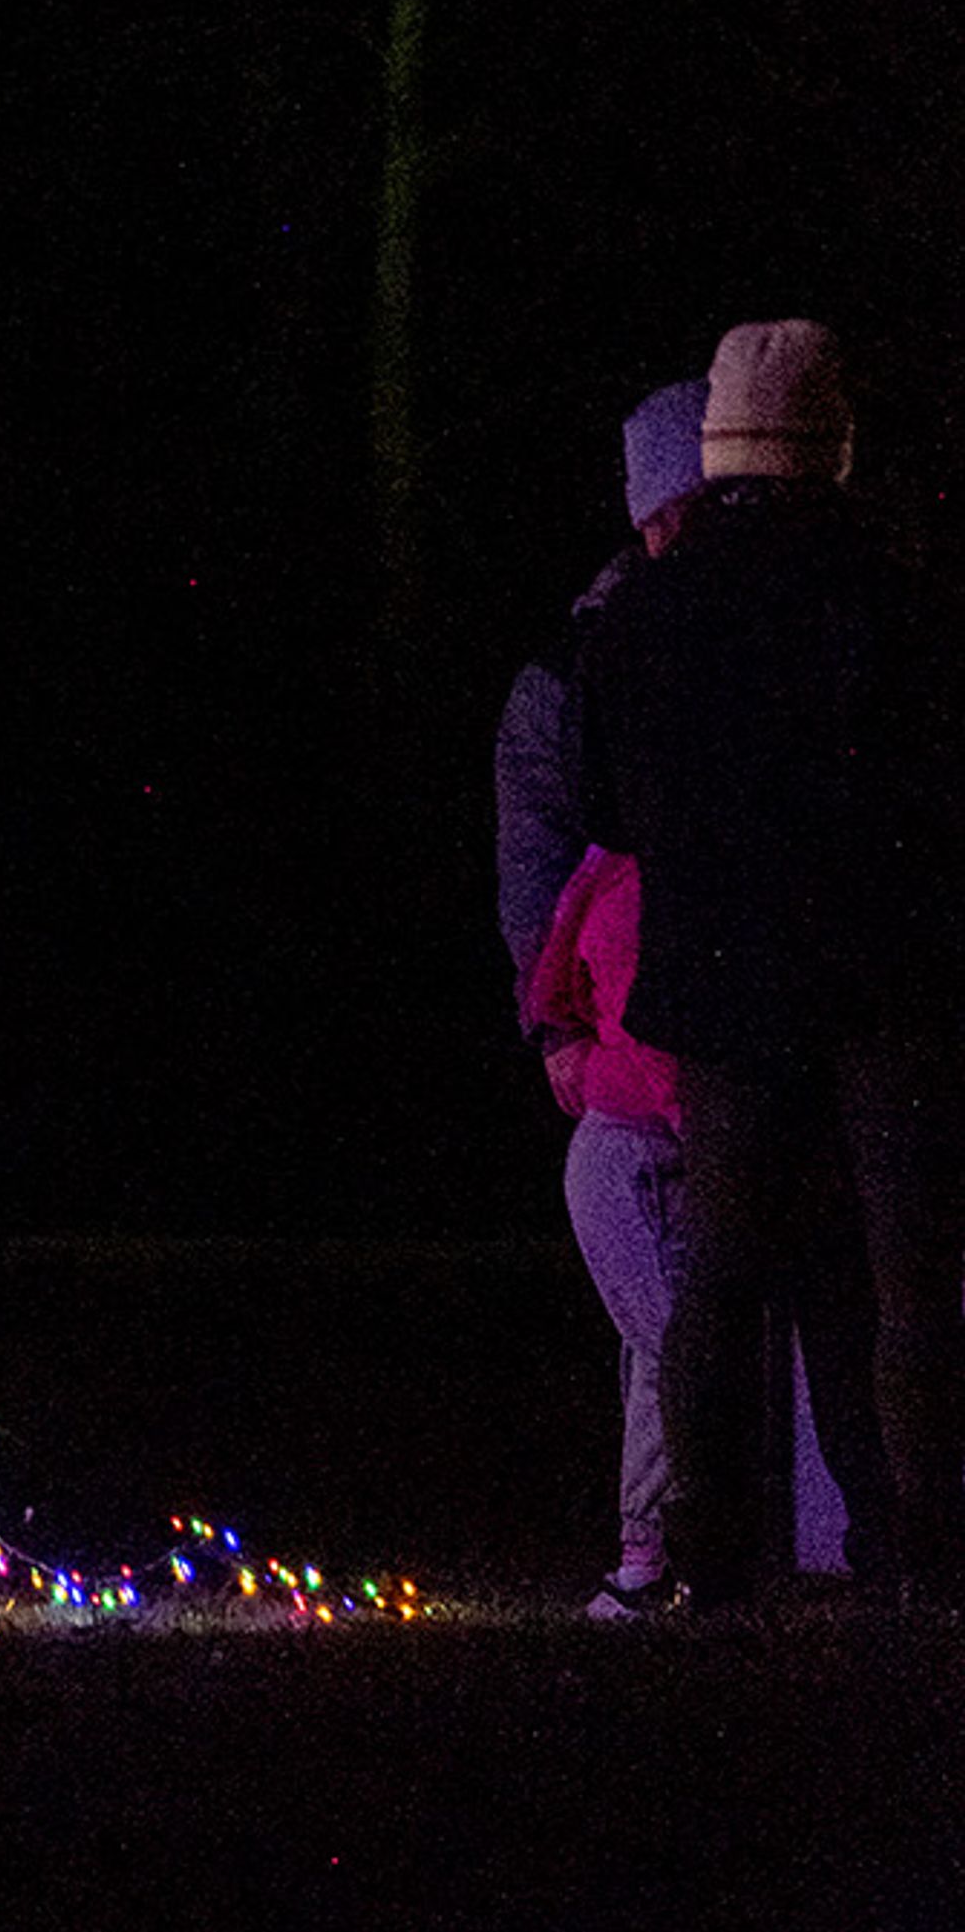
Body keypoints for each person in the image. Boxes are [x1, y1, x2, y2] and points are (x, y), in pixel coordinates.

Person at [578, 317, 962, 1605]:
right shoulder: (887, 588)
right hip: (879, 965)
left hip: (721, 967)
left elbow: (615, 806)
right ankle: (921, 1546)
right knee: (904, 1266)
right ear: (832, 439)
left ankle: (709, 1552)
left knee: (721, 1266)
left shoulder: (652, 608)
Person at [496, 379, 710, 1609]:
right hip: (638, 1083)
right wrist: (554, 1024)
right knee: (674, 1326)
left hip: (686, 1065)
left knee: (681, 1327)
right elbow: (545, 872)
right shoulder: (583, 681)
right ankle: (662, 1549)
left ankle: (666, 1552)